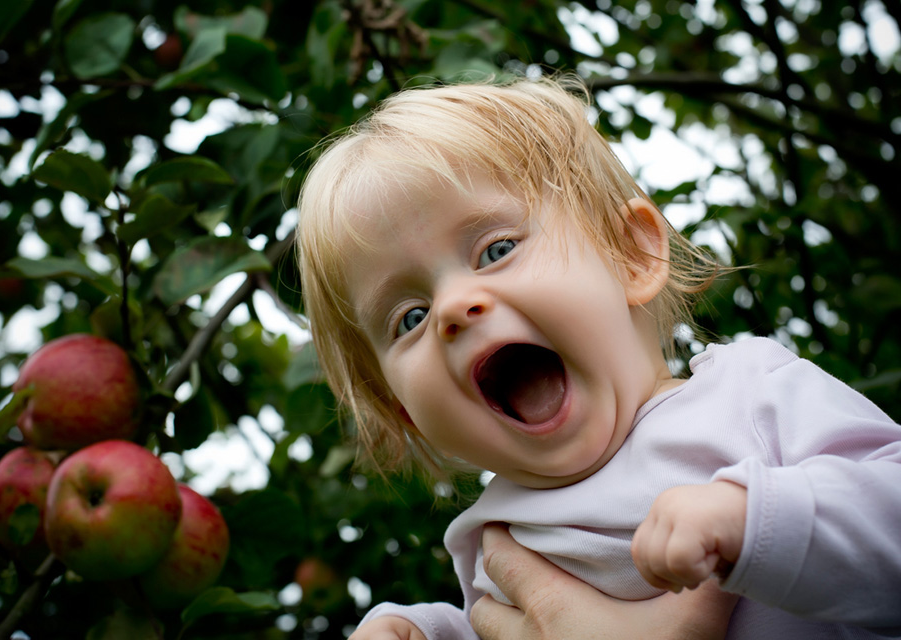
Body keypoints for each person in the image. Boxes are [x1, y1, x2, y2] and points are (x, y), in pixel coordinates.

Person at [295, 73, 901, 640]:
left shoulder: (749, 393)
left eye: (496, 248)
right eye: (410, 318)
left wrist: (761, 520)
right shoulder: (496, 538)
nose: (453, 308)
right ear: (403, 411)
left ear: (629, 255)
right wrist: (421, 630)